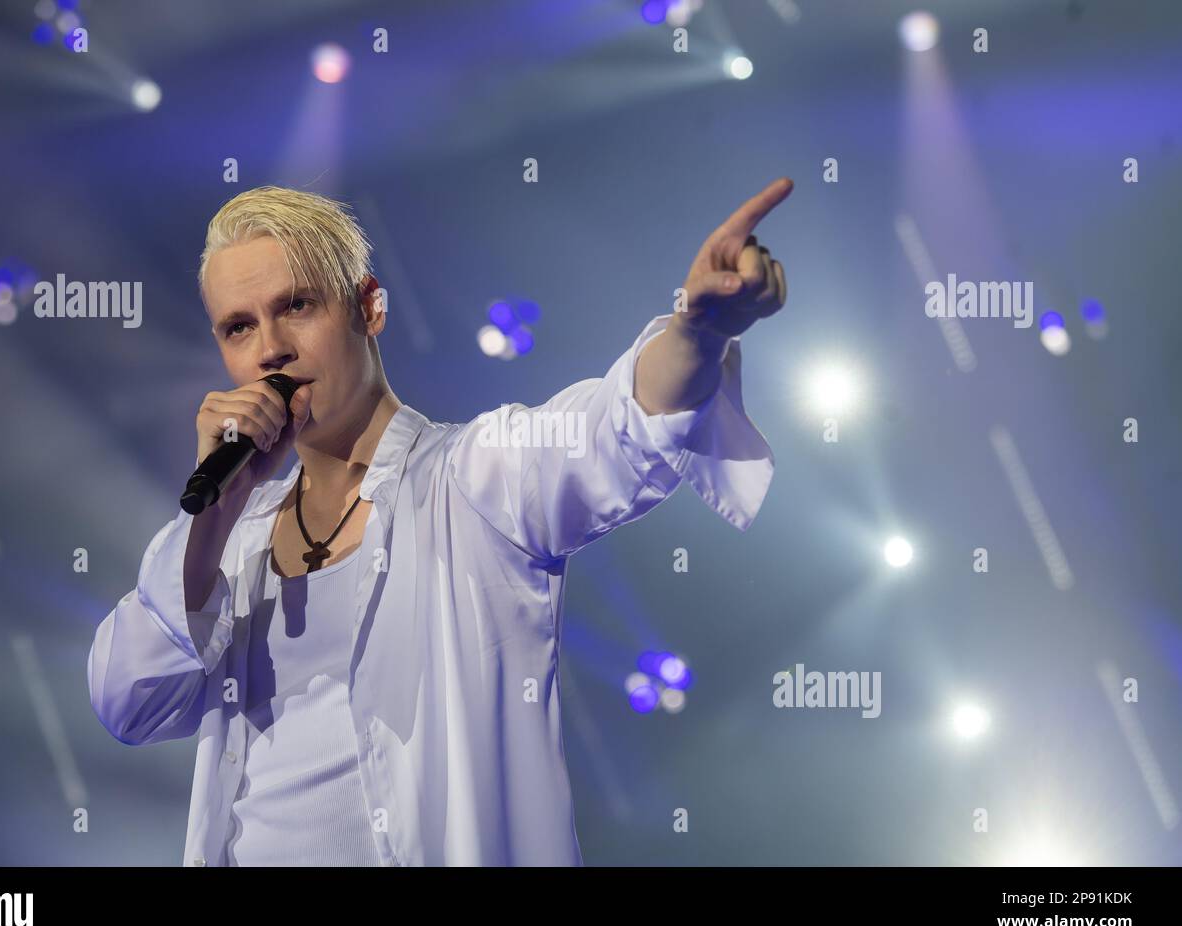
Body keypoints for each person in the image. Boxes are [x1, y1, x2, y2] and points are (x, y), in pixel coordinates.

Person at [87, 179, 791, 866]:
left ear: (369, 307)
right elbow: (126, 702)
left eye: (296, 305)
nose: (270, 348)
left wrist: (698, 331)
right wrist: (216, 514)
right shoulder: (228, 545)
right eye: (239, 326)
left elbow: (615, 428)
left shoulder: (475, 478)